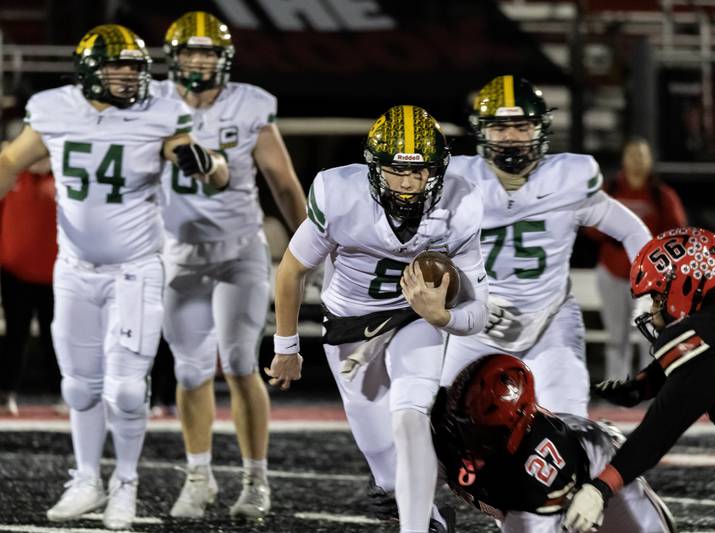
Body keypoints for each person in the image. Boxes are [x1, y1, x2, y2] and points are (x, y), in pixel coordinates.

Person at [0, 24, 228, 530]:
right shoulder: (55, 110)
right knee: (78, 387)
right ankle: (86, 479)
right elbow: (11, 162)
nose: (128, 76)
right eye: (116, 66)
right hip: (74, 270)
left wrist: (207, 164)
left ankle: (125, 484)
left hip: (134, 269)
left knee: (125, 388)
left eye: (134, 66)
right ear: (88, 70)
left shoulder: (159, 115)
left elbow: (211, 168)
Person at [265, 105, 487, 533]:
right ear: (373, 168)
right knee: (387, 475)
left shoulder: (461, 203)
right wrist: (286, 347)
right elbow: (292, 269)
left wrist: (441, 316)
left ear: (438, 170)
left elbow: (478, 311)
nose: (406, 183)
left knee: (409, 415)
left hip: (413, 316)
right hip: (351, 322)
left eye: (419, 171)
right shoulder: (339, 193)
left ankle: (417, 527)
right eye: (394, 171)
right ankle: (431, 514)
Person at [151, 11, 306, 520]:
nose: (200, 61)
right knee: (190, 369)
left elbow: (282, 183)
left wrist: (310, 244)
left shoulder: (249, 104)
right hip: (178, 254)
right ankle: (198, 476)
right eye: (192, 52)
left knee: (241, 365)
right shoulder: (151, 104)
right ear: (175, 58)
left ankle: (255, 480)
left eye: (209, 52)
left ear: (224, 59)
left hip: (239, 250)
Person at [565, 227, 715, 532]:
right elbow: (712, 360)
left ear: (682, 285)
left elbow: (664, 424)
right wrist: (642, 384)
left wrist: (602, 486)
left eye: (656, 297)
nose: (653, 310)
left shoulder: (712, 336)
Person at [443, 75, 651, 417]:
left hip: (549, 320)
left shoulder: (566, 180)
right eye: (499, 128)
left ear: (540, 130)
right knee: (443, 420)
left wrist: (647, 294)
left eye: (522, 126)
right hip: (478, 323)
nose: (511, 137)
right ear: (482, 131)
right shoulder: (457, 182)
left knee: (567, 420)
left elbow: (631, 230)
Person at [432, 353, 675, 533]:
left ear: (515, 430)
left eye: (485, 433)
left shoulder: (537, 468)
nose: (473, 438)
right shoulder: (439, 424)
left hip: (593, 468)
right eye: (467, 423)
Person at [588, 137, 687, 381]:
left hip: (650, 279)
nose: (637, 161)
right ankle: (616, 385)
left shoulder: (660, 194)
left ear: (650, 160)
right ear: (623, 159)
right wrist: (619, 235)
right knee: (616, 336)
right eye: (632, 155)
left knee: (650, 334)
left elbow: (678, 232)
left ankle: (648, 388)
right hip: (612, 273)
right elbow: (589, 225)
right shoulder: (610, 190)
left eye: (642, 155)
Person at [0, 153, 59, 415]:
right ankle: (5, 393)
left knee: (57, 338)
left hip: (56, 277)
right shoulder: (11, 176)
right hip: (14, 274)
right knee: (15, 336)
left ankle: (64, 392)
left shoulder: (66, 179)